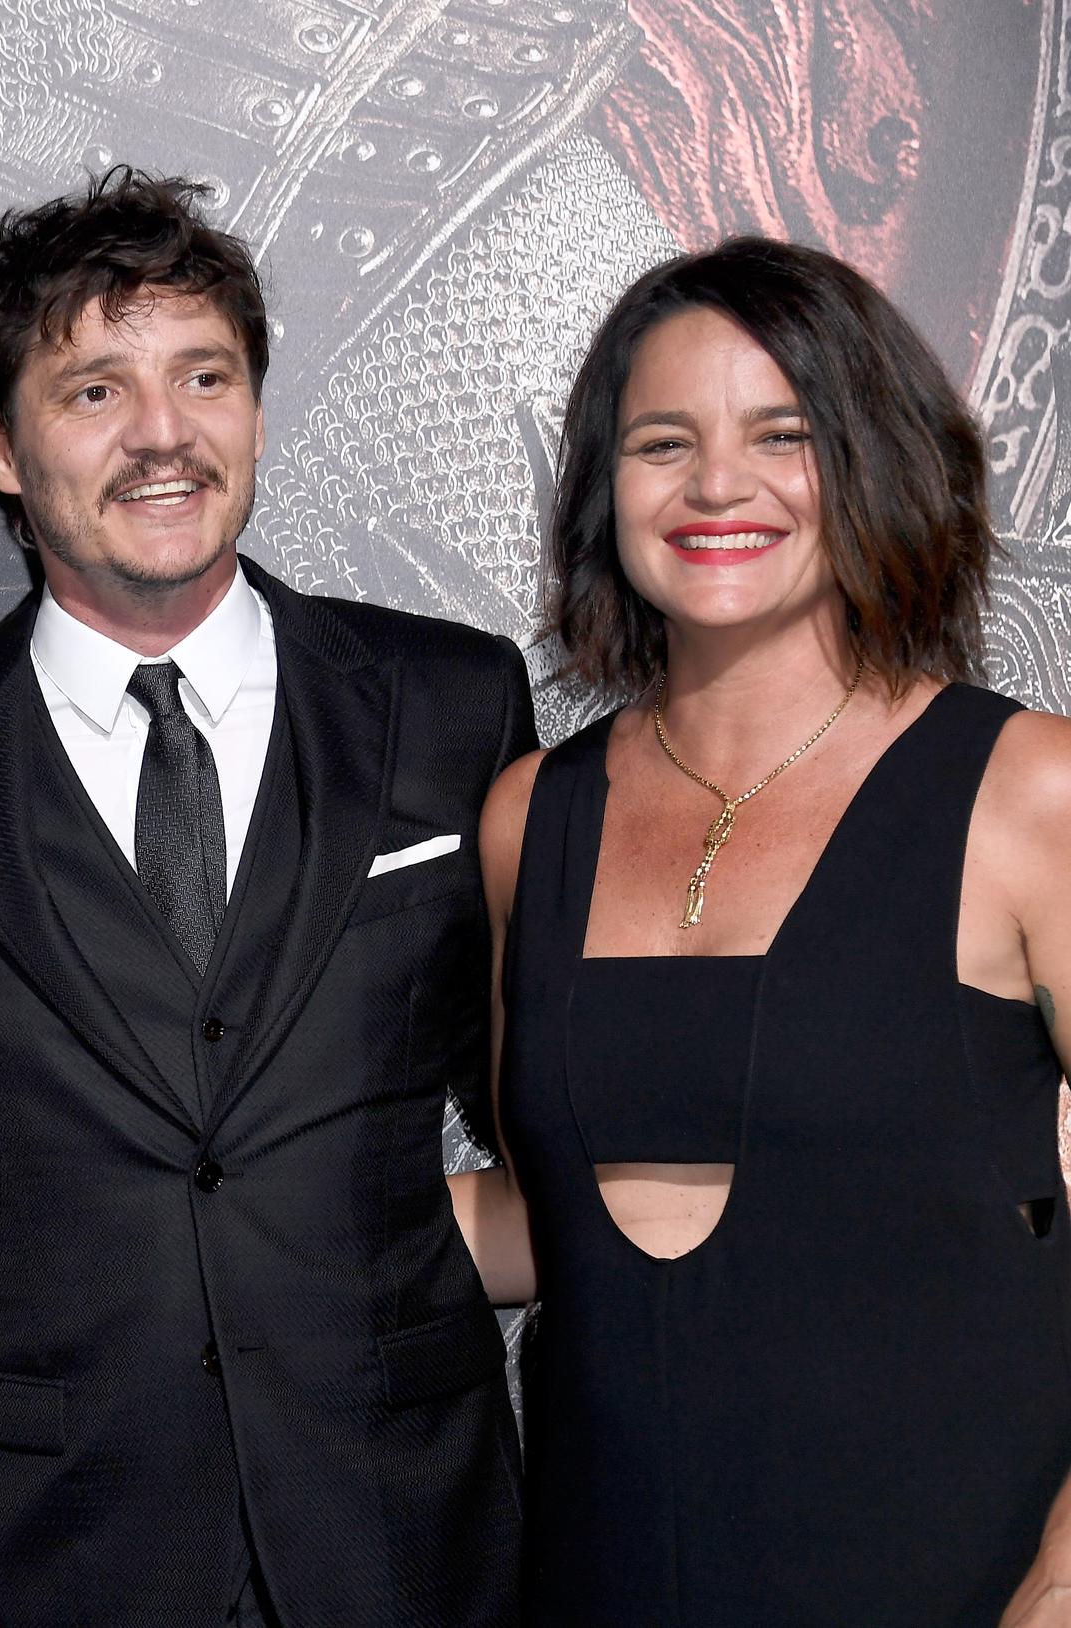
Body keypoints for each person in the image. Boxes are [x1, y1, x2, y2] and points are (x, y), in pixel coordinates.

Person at [0, 168, 530, 1627]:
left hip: (408, 1534)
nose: (162, 433)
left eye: (205, 376)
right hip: (58, 1548)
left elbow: (560, 1115)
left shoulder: (452, 703)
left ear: (255, 409)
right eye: (92, 391)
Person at [453, 236, 1071, 1624]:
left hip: (959, 1575)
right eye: (662, 441)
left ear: (867, 459)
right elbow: (547, 1220)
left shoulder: (1032, 792)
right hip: (605, 1573)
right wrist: (202, 1249)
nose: (717, 485)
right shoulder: (527, 819)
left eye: (781, 434)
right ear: (605, 491)